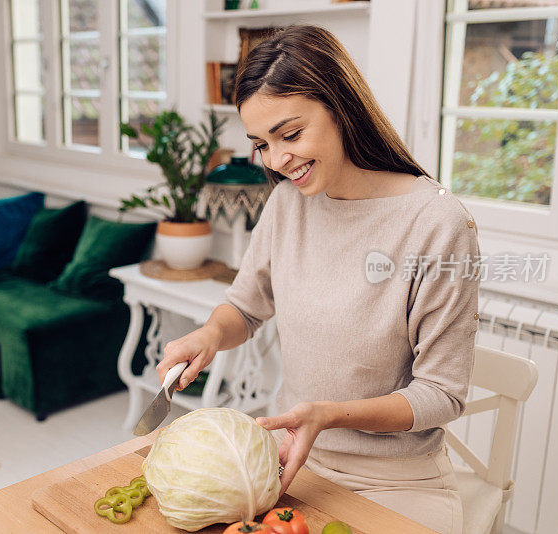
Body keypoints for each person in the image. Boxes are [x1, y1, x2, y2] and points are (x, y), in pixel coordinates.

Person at [156, 25, 480, 534]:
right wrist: (209, 335)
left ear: (342, 106)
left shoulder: (437, 224)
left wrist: (329, 415)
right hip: (290, 466)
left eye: (290, 134)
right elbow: (245, 306)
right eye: (261, 144)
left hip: (396, 483)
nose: (277, 161)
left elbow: (442, 394)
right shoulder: (289, 203)